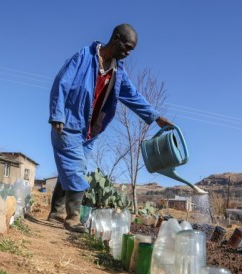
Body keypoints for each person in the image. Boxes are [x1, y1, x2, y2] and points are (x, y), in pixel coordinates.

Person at [47, 24, 173, 233]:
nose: (129, 53)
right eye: (128, 47)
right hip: (68, 121)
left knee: (71, 167)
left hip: (91, 130)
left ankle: (56, 212)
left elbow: (132, 96)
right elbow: (62, 82)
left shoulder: (117, 72)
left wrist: (155, 117)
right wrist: (57, 114)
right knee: (75, 166)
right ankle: (72, 218)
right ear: (116, 39)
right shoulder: (84, 57)